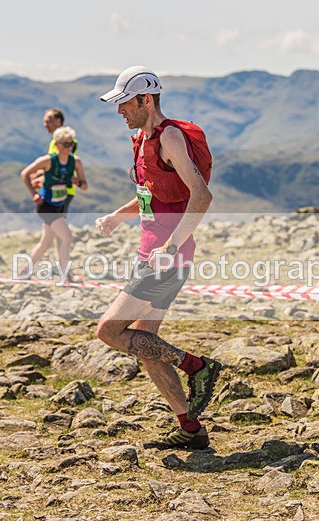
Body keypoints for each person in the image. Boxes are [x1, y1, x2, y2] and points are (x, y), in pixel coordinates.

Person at [95, 66, 222, 450]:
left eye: (124, 103)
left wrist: (171, 247)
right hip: (154, 250)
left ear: (145, 100)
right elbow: (156, 194)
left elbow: (201, 196)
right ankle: (190, 429)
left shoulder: (167, 137)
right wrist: (118, 216)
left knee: (109, 331)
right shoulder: (143, 139)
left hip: (166, 256)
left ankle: (197, 366)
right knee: (146, 343)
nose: (120, 111)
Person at [20, 126, 87, 281]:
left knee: (45, 243)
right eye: (65, 144)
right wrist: (34, 194)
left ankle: (23, 273)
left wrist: (76, 182)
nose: (69, 147)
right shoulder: (47, 161)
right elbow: (25, 174)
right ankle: (65, 276)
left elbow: (85, 186)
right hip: (46, 206)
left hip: (60, 205)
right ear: (57, 144)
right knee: (67, 237)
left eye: (71, 144)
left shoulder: (75, 162)